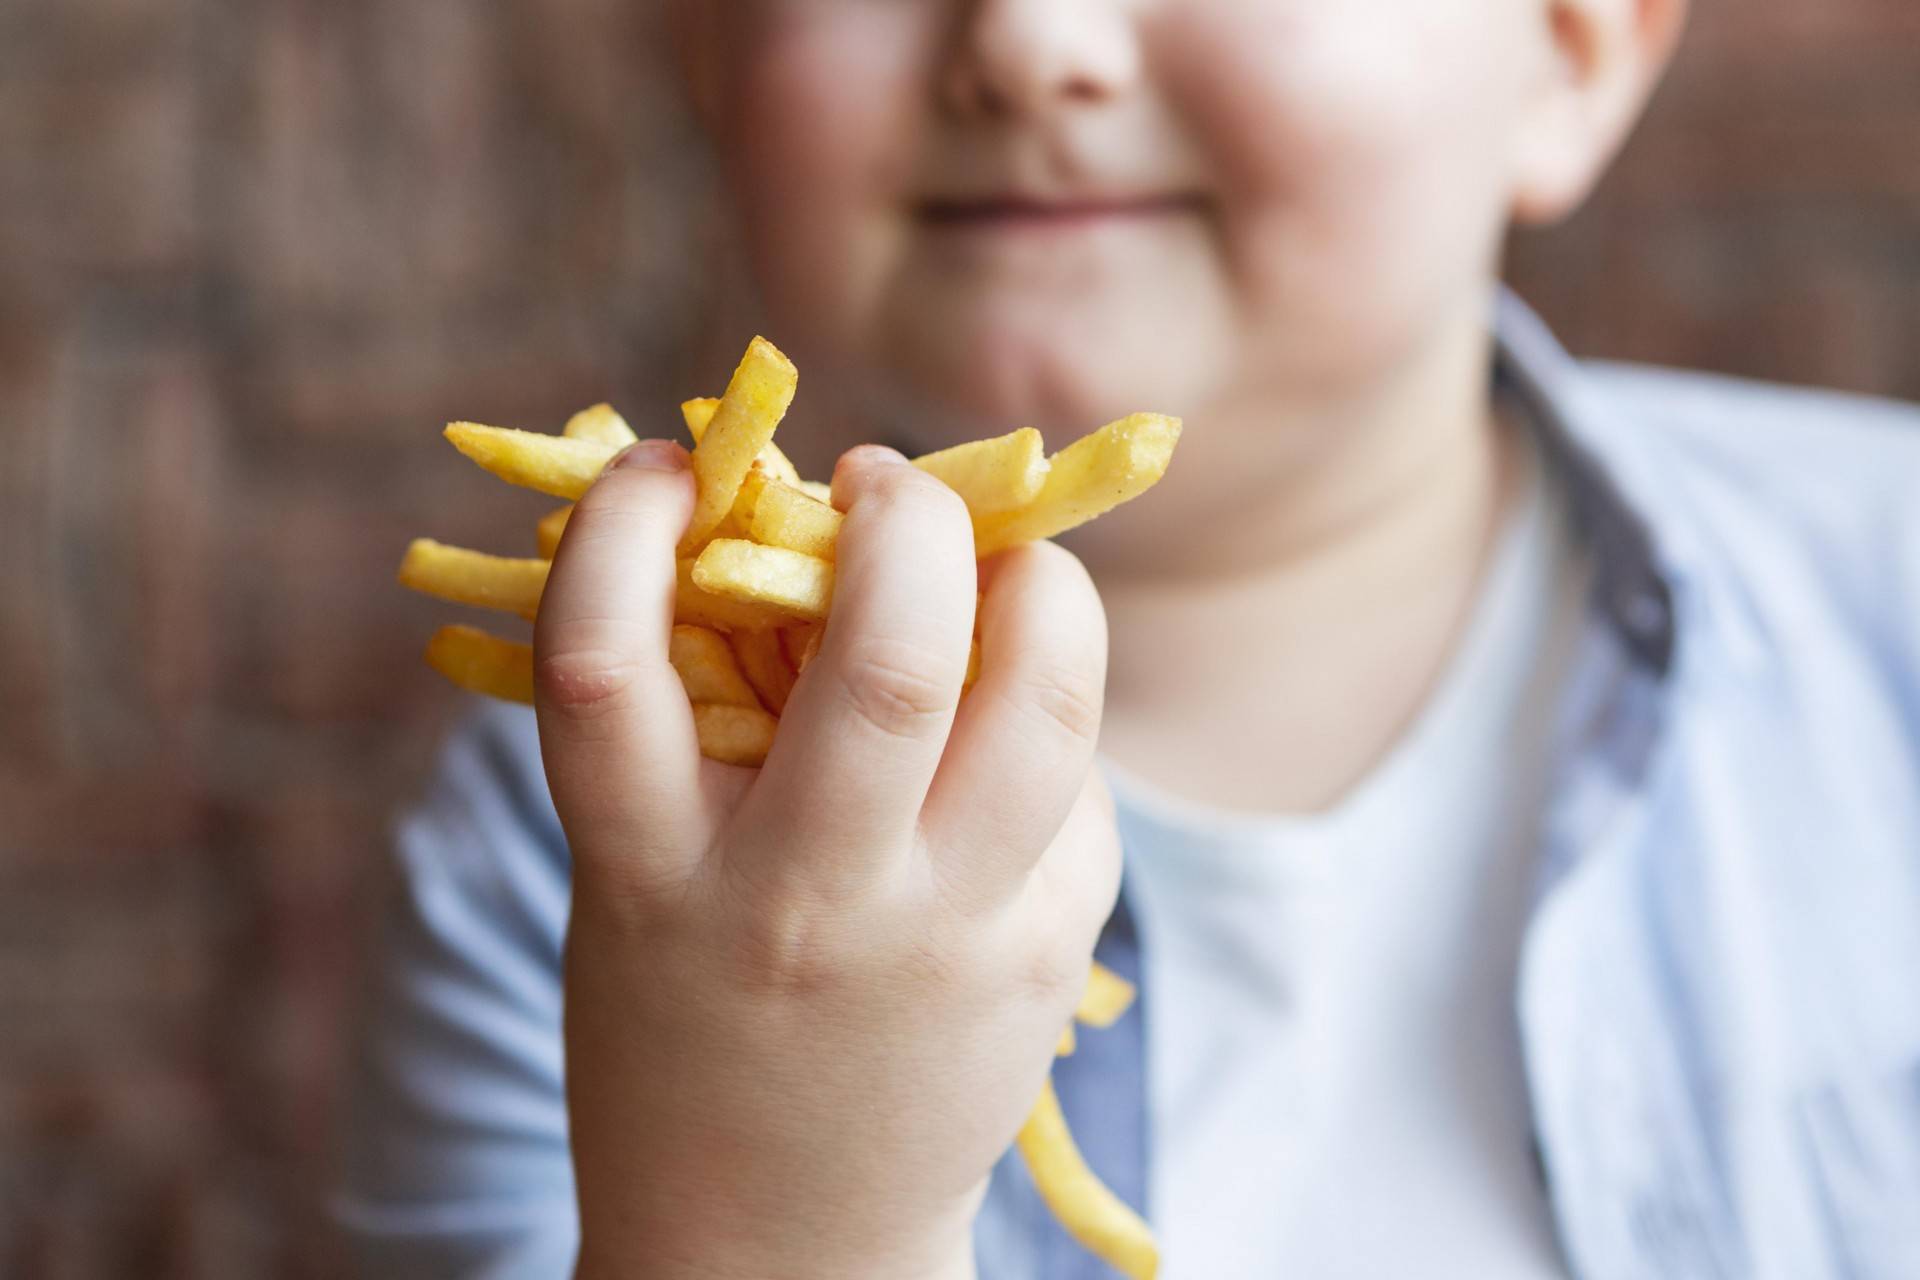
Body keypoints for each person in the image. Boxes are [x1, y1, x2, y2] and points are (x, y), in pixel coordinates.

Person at [335, 1, 1920, 1276]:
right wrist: (767, 1225)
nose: (1031, 36)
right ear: (705, 47)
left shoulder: (1886, 596)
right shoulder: (561, 850)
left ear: (1570, 52)